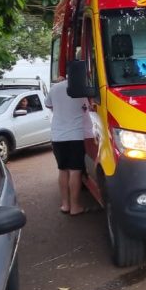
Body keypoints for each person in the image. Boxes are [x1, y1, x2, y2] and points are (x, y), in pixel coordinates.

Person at [45, 78, 88, 215]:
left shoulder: (55, 88)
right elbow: (88, 107)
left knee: (62, 170)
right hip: (75, 135)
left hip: (58, 136)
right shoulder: (83, 89)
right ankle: (75, 207)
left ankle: (65, 205)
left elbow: (49, 106)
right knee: (75, 171)